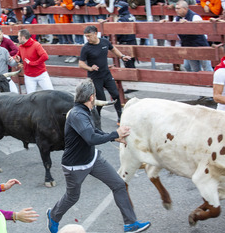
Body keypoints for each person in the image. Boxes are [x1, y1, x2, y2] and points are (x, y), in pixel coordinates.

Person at [46, 79, 151, 233]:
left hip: (93, 159)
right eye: (95, 94)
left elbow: (94, 131)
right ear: (91, 97)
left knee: (119, 185)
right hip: (75, 166)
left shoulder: (85, 111)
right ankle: (53, 215)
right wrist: (115, 133)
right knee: (72, 197)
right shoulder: (77, 115)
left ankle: (130, 224)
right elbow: (91, 138)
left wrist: (114, 137)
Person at [78, 25, 129, 123]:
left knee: (115, 95)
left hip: (106, 74)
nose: (87, 38)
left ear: (95, 34)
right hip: (95, 77)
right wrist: (90, 68)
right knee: (101, 100)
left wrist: (122, 56)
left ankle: (120, 117)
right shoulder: (86, 48)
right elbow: (81, 63)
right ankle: (97, 118)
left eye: (89, 36)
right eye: (86, 36)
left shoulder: (104, 42)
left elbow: (113, 49)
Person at [162, 1, 213, 72]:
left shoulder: (195, 17)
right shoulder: (177, 18)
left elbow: (203, 32)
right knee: (194, 69)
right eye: (176, 8)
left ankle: (212, 82)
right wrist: (166, 22)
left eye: (178, 8)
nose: (176, 10)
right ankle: (198, 82)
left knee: (207, 68)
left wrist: (189, 25)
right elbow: (172, 26)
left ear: (185, 9)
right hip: (189, 46)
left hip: (200, 45)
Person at [15, 29, 54, 94]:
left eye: (18, 36)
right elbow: (18, 55)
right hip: (29, 76)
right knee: (30, 98)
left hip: (41, 74)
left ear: (23, 37)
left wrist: (33, 63)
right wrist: (16, 58)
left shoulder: (36, 45)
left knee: (51, 94)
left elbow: (45, 56)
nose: (17, 38)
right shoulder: (21, 47)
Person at [115, 1, 137, 68]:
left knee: (127, 61)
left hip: (125, 41)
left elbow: (119, 32)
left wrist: (116, 38)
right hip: (133, 40)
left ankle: (131, 76)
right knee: (132, 60)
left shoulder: (122, 19)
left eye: (118, 8)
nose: (117, 9)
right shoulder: (131, 16)